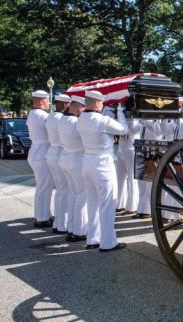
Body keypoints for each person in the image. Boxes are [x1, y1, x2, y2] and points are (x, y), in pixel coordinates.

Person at [76, 90, 129, 252]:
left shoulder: (81, 120)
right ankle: (108, 242)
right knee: (107, 203)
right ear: (97, 103)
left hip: (87, 163)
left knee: (93, 203)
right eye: (101, 103)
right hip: (103, 165)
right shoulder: (102, 120)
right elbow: (123, 130)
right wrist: (120, 112)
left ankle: (93, 238)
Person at [58, 95, 87, 242]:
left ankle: (71, 227)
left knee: (73, 194)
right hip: (77, 160)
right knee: (82, 195)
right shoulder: (76, 122)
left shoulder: (62, 120)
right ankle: (79, 230)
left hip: (65, 158)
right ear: (77, 107)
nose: (84, 110)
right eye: (83, 107)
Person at [45, 94, 72, 234]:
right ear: (62, 104)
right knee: (64, 190)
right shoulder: (61, 118)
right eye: (68, 104)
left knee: (60, 190)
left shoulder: (50, 116)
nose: (69, 107)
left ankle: (58, 222)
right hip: (60, 151)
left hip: (52, 152)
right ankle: (62, 224)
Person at [27, 90, 53, 228]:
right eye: (47, 100)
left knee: (42, 186)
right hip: (42, 151)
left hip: (36, 150)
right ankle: (42, 217)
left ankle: (43, 214)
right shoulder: (43, 115)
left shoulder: (32, 113)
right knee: (44, 186)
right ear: (42, 101)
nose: (49, 103)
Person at [133, 119, 162, 220]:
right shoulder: (142, 119)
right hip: (142, 149)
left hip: (153, 150)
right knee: (141, 182)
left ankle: (149, 210)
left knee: (150, 182)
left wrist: (144, 120)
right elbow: (133, 130)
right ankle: (141, 209)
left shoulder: (156, 118)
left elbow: (158, 131)